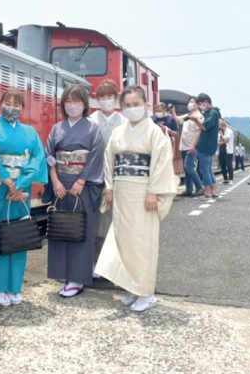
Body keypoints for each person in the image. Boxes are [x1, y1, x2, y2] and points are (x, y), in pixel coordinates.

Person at [95, 86, 178, 312]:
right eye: (127, 105)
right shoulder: (118, 132)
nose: (132, 109)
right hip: (122, 192)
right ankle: (132, 287)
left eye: (136, 104)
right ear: (122, 108)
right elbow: (109, 160)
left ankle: (147, 292)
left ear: (145, 105)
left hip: (143, 193)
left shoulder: (154, 132)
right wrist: (110, 188)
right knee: (124, 241)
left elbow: (161, 163)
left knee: (142, 242)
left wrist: (155, 192)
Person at [0, 89, 48, 307]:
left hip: (22, 191)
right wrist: (6, 180)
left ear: (23, 108)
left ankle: (15, 287)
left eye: (17, 104)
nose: (12, 107)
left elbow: (37, 158)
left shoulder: (30, 132)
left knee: (18, 236)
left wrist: (20, 184)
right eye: (8, 102)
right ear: (0, 104)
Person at [44, 84, 105, 298]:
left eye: (77, 101)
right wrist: (55, 181)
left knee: (80, 229)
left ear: (84, 104)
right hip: (61, 184)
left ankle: (78, 278)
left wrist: (82, 180)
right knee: (62, 228)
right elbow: (50, 155)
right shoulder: (56, 128)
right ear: (63, 105)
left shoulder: (93, 128)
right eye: (68, 102)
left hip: (83, 186)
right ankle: (63, 273)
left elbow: (96, 155)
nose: (72, 106)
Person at [88, 79, 126, 271]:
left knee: (115, 221)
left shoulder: (124, 122)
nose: (106, 100)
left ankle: (114, 265)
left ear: (116, 98)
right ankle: (96, 262)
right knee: (96, 221)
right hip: (95, 178)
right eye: (102, 97)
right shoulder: (91, 120)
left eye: (109, 96)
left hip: (119, 178)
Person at [194, 93, 222, 198]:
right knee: (208, 169)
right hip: (209, 145)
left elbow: (204, 127)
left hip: (205, 145)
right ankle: (213, 189)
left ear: (206, 102)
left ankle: (208, 189)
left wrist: (195, 120)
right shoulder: (214, 112)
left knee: (204, 169)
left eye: (201, 104)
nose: (201, 106)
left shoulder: (212, 113)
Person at [177, 96, 204, 197]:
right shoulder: (188, 115)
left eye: (192, 102)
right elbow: (178, 120)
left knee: (189, 167)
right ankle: (188, 189)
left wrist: (194, 145)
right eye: (189, 102)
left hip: (192, 146)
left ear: (197, 105)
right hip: (184, 146)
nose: (190, 104)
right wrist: (173, 111)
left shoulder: (199, 116)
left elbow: (199, 131)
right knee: (186, 168)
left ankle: (200, 187)